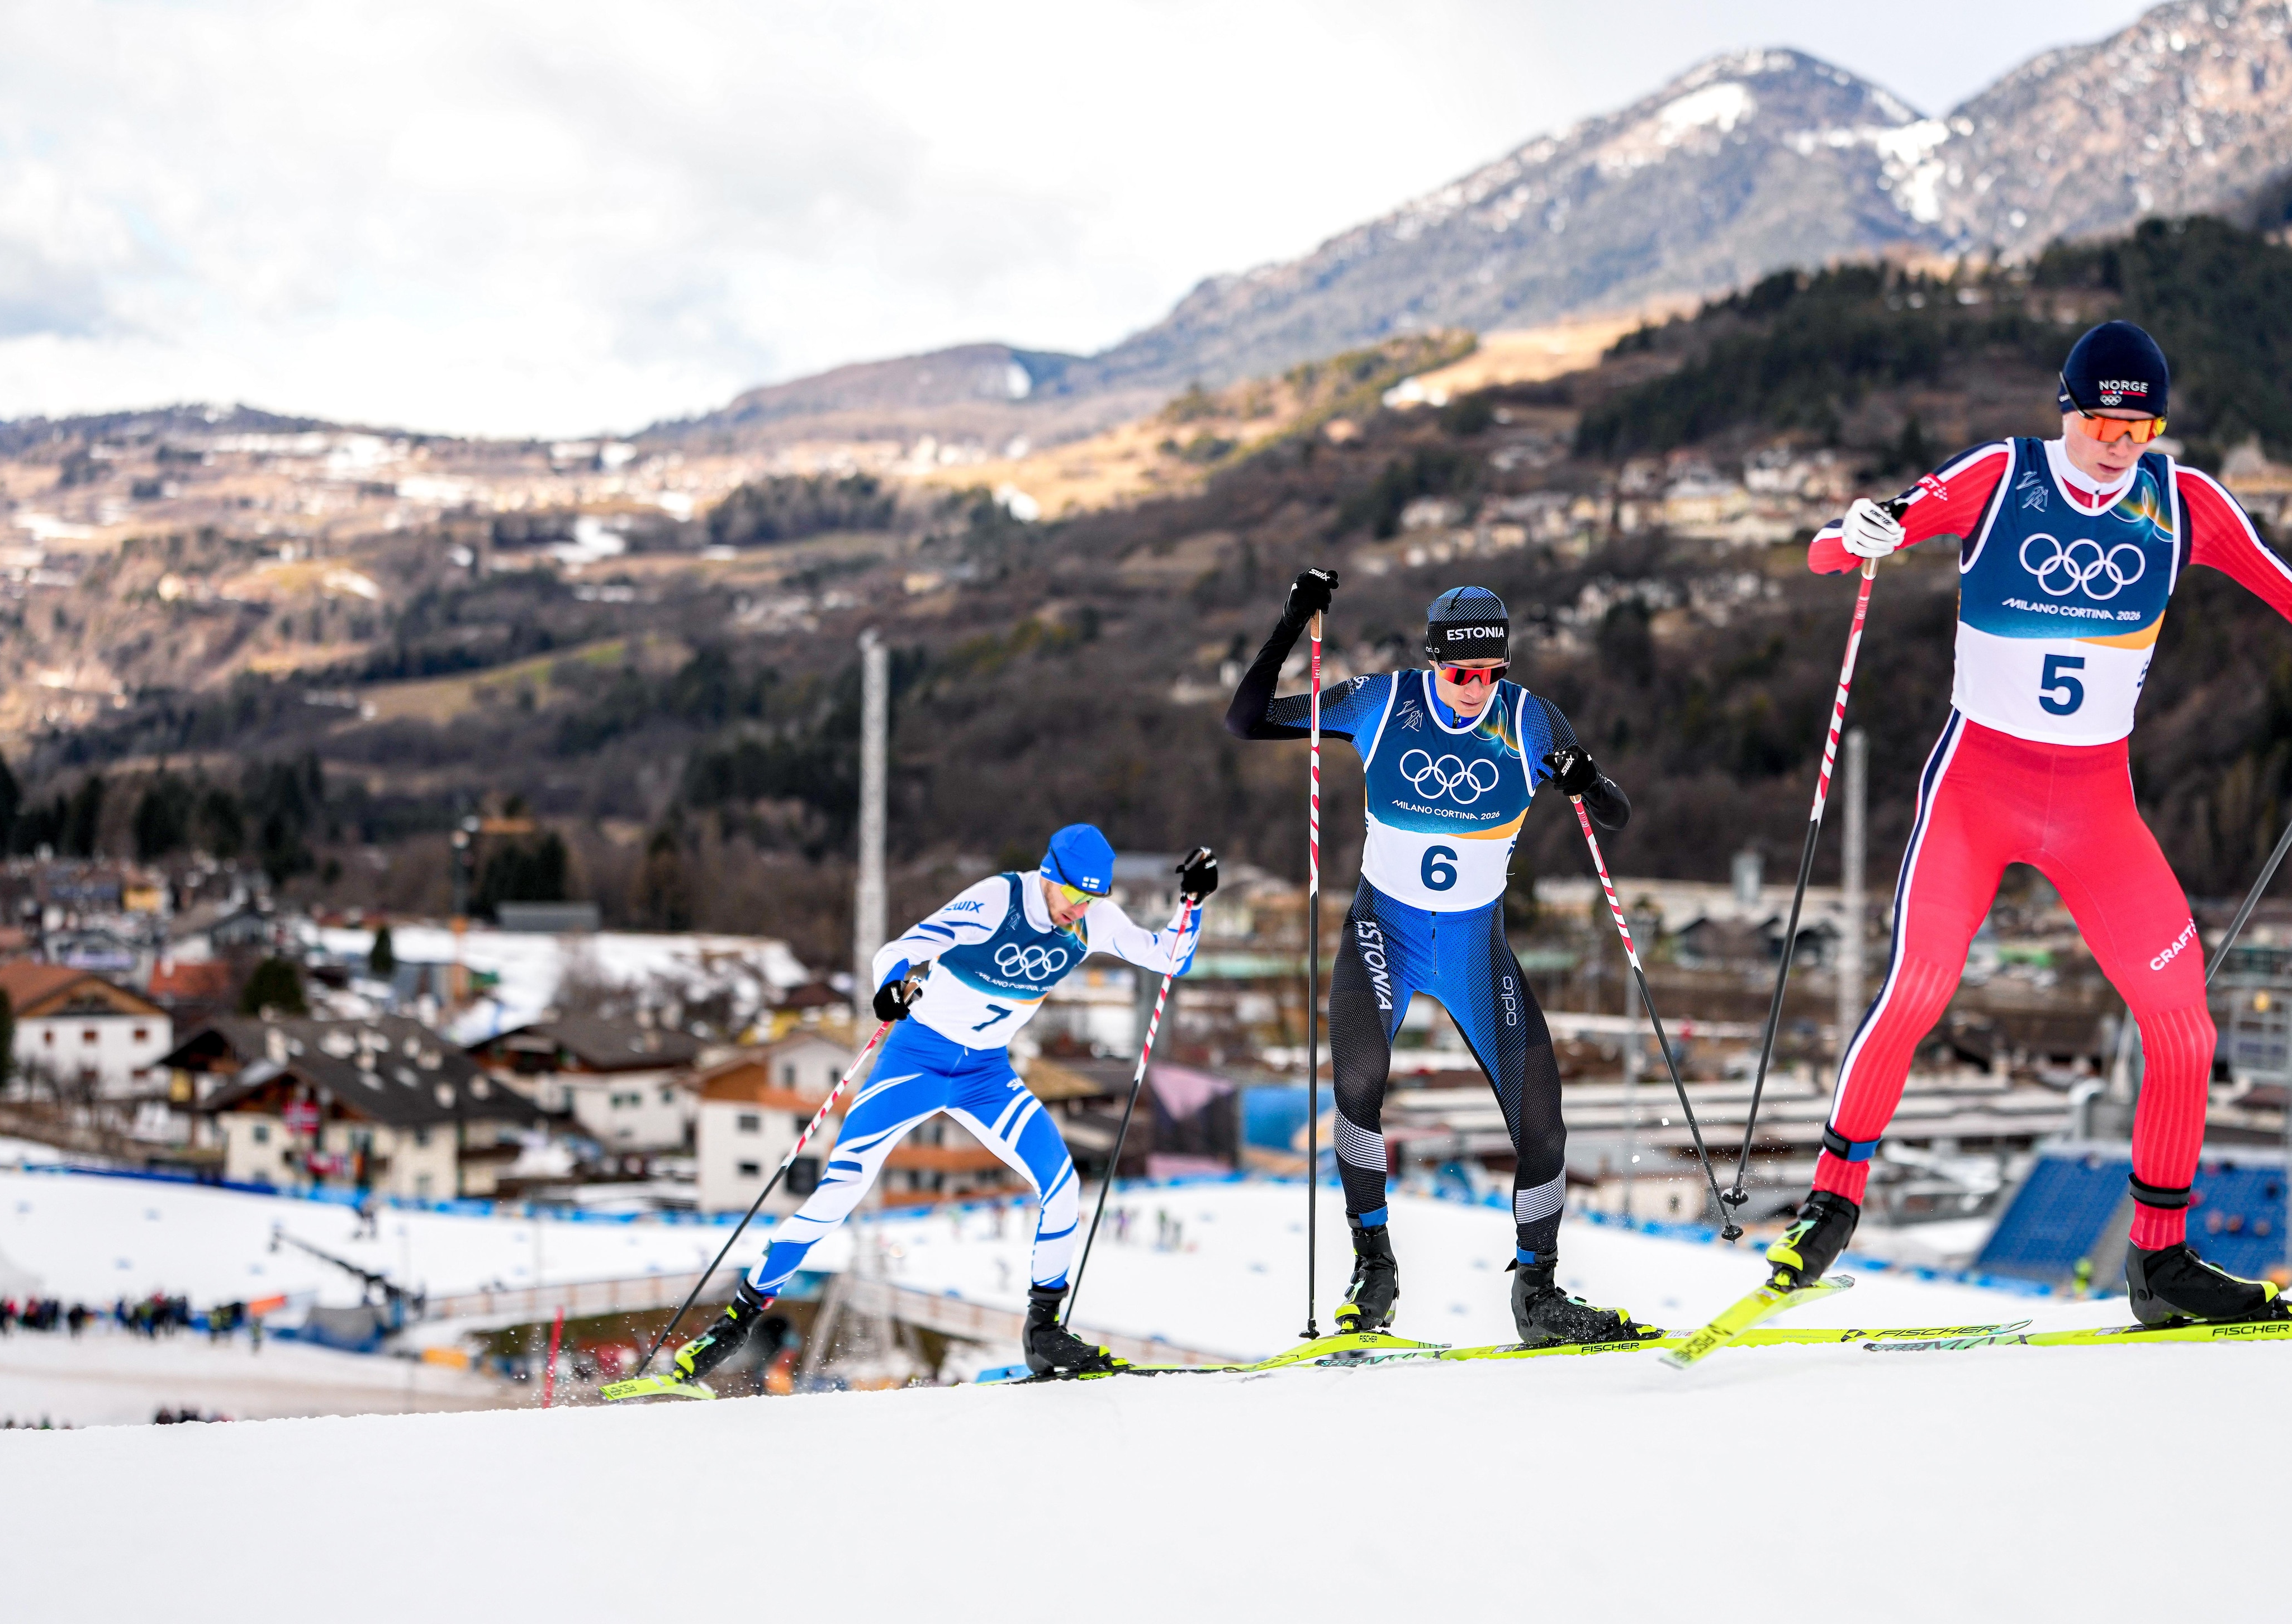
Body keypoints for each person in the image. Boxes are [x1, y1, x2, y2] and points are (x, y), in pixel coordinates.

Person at [1780, 320, 2292, 1325]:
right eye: (2100, 421)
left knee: (2182, 1024)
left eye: (2140, 426)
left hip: (2095, 806)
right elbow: (1849, 544)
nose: (2118, 444)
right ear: (2067, 409)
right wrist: (1853, 535)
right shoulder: (2003, 475)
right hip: (1978, 787)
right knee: (1918, 985)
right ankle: (1829, 1204)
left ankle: (2161, 1262)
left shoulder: (2184, 502)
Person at [1225, 573, 1657, 1346]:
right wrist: (1293, 618)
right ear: (1433, 663)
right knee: (1356, 1089)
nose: (1474, 690)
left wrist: (1588, 779)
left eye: (1491, 673)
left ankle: (1539, 1294)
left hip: (1473, 949)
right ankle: (1375, 1267)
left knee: (1543, 1127)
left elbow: (1615, 813)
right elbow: (1245, 719)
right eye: (1460, 674)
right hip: (1381, 936)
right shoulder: (1379, 703)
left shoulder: (1530, 720)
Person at [668, 825, 1216, 1383]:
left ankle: (1043, 1330)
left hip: (986, 1074)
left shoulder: (1092, 920)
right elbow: (901, 951)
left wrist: (1191, 903)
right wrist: (891, 986)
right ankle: (738, 1318)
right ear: (1049, 875)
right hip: (916, 1064)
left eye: (1091, 900)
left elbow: (1167, 959)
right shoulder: (995, 901)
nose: (1079, 910)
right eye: (1073, 895)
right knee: (841, 1189)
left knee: (1063, 1186)